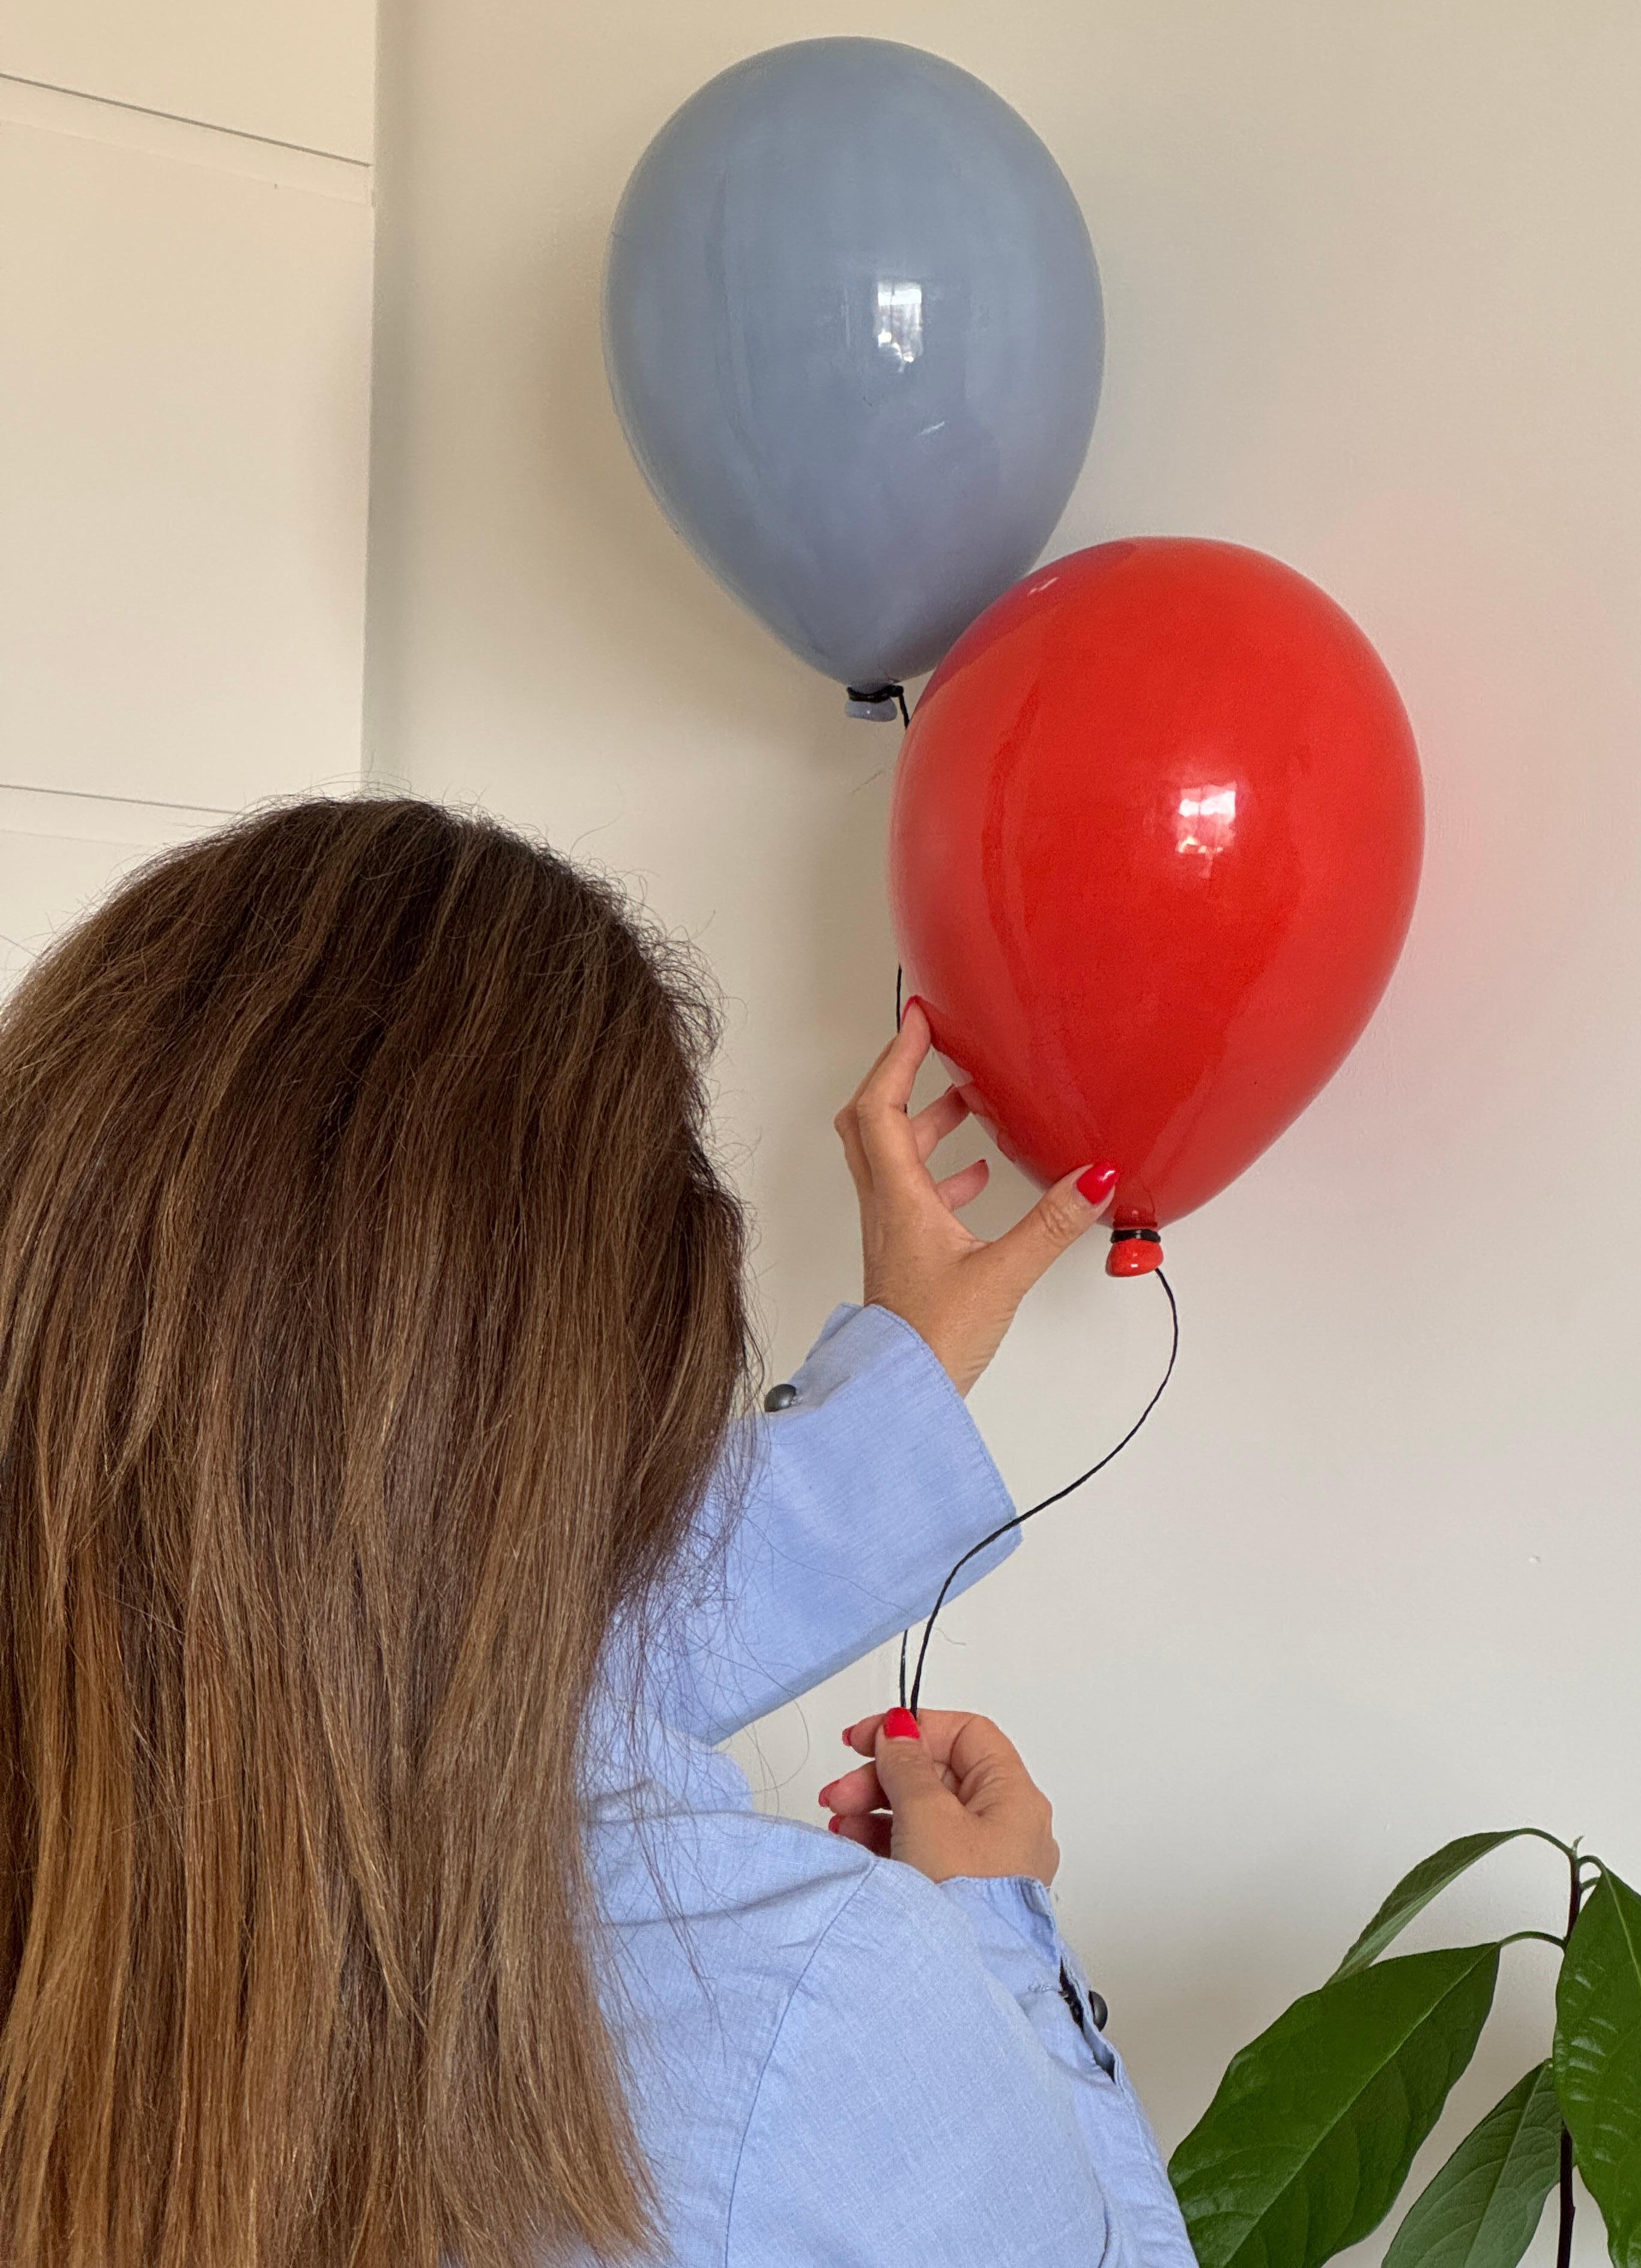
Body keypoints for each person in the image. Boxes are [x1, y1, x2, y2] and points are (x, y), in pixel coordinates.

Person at [0, 797, 1193, 2268]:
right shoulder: (813, 2014)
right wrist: (1002, 1933)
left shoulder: (98, 1841)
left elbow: (425, 1607)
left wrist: (901, 1375)